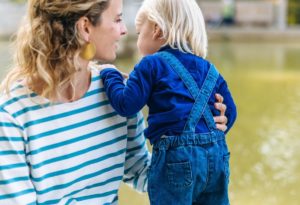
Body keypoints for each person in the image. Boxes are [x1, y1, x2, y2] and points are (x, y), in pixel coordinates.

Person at [0, 0, 228, 204]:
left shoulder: (117, 93)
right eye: (117, 19)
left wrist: (198, 129)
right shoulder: (12, 114)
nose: (124, 30)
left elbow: (143, 171)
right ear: (85, 27)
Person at [98, 0, 237, 204]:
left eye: (139, 33)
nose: (137, 41)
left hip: (177, 161)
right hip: (217, 157)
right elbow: (230, 114)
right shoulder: (210, 69)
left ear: (156, 30)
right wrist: (218, 126)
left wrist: (109, 73)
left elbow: (126, 105)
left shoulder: (151, 64)